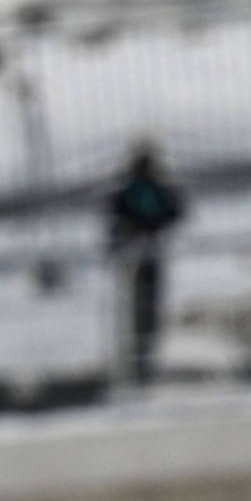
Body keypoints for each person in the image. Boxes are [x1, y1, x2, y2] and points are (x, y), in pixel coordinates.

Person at [101, 139, 186, 385]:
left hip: (151, 253)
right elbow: (116, 216)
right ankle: (138, 361)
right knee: (137, 308)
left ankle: (145, 359)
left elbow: (174, 211)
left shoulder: (153, 189)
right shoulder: (132, 190)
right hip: (136, 256)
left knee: (147, 306)